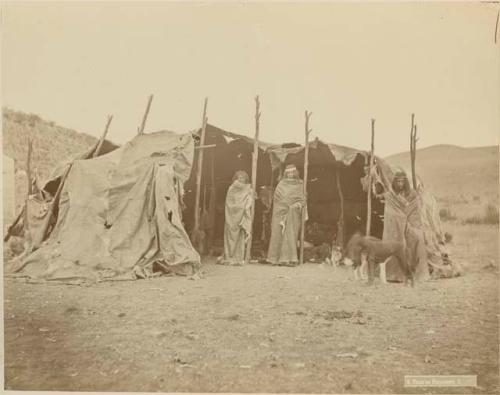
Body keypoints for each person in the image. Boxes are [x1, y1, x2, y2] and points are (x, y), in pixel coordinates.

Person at [381, 168, 429, 281]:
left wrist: (410, 224)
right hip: (396, 226)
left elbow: (414, 212)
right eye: (398, 181)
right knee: (397, 241)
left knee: (417, 237)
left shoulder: (412, 194)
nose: (400, 184)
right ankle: (394, 274)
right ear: (394, 182)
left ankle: (414, 272)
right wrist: (401, 219)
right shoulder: (390, 195)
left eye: (402, 181)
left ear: (405, 182)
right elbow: (391, 213)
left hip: (409, 224)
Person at [266, 164, 306, 266]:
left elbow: (303, 200)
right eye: (288, 173)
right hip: (280, 213)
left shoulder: (300, 184)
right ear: (285, 173)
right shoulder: (281, 184)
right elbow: (277, 199)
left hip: (293, 214)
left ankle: (288, 259)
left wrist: (295, 205)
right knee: (277, 234)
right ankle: (274, 259)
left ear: (296, 173)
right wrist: (284, 206)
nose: (290, 174)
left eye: (292, 172)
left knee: (291, 235)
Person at [219, 170, 254, 265]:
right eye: (239, 178)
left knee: (240, 237)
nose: (241, 180)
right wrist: (242, 207)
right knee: (230, 236)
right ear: (235, 179)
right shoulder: (232, 188)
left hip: (240, 217)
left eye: (243, 178)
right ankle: (229, 256)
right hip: (231, 217)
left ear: (246, 179)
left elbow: (250, 198)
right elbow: (229, 203)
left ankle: (238, 257)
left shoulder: (248, 188)